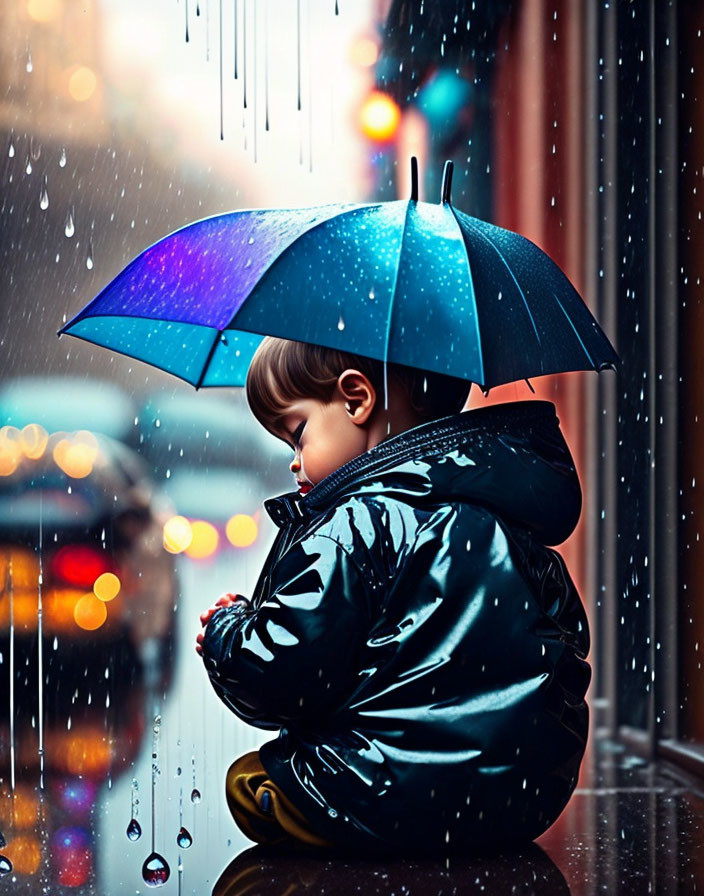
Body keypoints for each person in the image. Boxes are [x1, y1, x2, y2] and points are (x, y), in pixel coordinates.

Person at [197, 337, 590, 855]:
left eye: (298, 435)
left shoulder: (354, 526)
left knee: (249, 782)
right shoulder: (511, 519)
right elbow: (567, 647)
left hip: (383, 794)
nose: (295, 464)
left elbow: (285, 678)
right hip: (524, 797)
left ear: (356, 399)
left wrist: (229, 633)